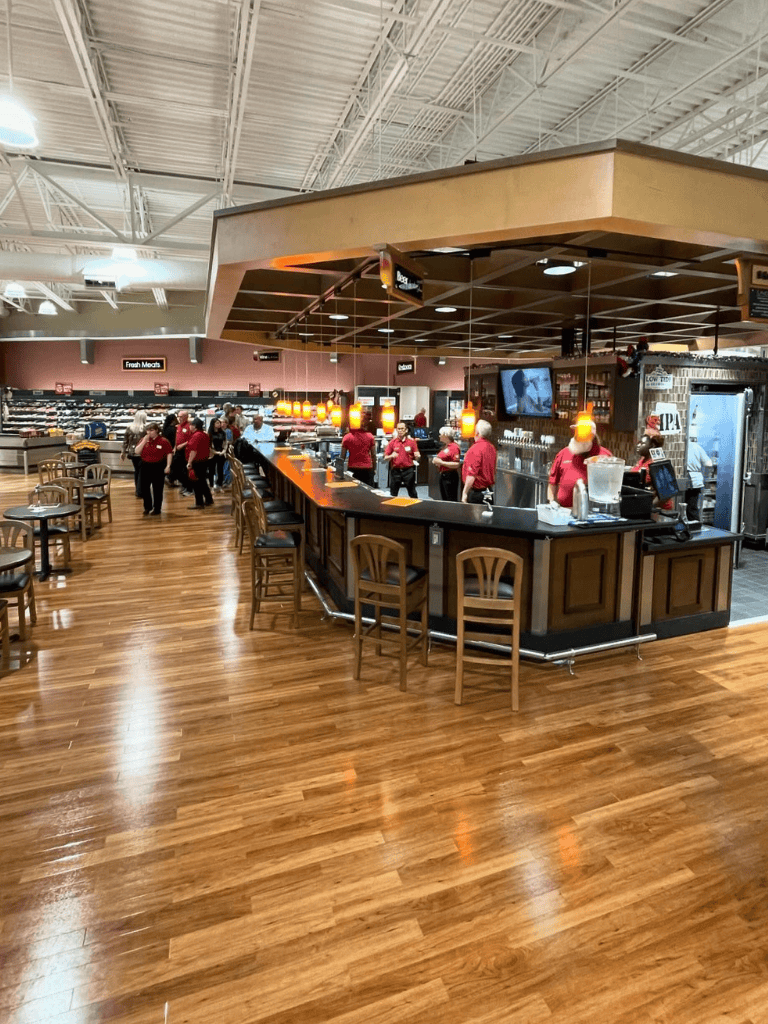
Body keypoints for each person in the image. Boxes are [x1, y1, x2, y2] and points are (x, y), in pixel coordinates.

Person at [548, 419, 612, 508]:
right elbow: (552, 483)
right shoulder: (563, 453)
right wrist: (552, 502)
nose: (577, 436)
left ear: (592, 436)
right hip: (564, 511)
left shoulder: (604, 456)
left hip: (593, 513)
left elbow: (611, 486)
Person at [135, 421, 172, 516]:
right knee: (144, 488)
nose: (149, 432)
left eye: (151, 430)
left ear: (156, 431)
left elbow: (169, 453)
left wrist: (168, 466)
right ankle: (147, 507)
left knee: (158, 488)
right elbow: (137, 451)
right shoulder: (144, 440)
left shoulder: (163, 441)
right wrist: (144, 440)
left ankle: (157, 508)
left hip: (158, 466)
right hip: (145, 466)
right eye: (147, 430)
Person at [461, 419, 497, 504]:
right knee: (488, 515)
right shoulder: (492, 448)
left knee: (474, 516)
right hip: (488, 491)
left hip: (477, 493)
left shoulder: (475, 449)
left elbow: (471, 474)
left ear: (477, 432)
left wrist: (465, 493)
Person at [384, 421, 420, 498]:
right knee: (393, 493)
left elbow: (417, 456)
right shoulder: (392, 442)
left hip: (408, 470)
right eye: (398, 429)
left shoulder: (412, 442)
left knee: (412, 492)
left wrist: (418, 456)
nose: (400, 430)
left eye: (402, 429)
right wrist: (391, 456)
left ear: (406, 430)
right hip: (396, 471)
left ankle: (416, 508)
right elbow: (385, 458)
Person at [186, 418, 214, 509]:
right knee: (202, 481)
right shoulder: (204, 434)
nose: (189, 426)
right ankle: (209, 499)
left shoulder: (196, 436)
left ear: (194, 426)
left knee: (196, 482)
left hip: (197, 462)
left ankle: (199, 503)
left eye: (191, 425)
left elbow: (193, 450)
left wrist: (189, 462)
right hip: (204, 460)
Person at [120, 410, 147, 498]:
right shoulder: (145, 429)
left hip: (132, 453)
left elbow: (125, 442)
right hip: (143, 453)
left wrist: (123, 452)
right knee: (142, 472)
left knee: (137, 471)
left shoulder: (129, 428)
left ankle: (137, 489)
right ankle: (140, 491)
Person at [685, 437, 713, 521]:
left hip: (685, 479)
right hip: (695, 480)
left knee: (683, 508)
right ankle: (694, 529)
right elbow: (709, 463)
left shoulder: (682, 446)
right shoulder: (697, 447)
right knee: (692, 508)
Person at [433, 425, 461, 501]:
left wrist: (441, 462)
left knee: (451, 499)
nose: (439, 436)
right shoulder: (445, 446)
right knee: (445, 498)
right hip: (443, 475)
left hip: (450, 476)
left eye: (441, 434)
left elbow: (456, 464)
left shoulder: (454, 447)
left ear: (446, 435)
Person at [173, 410, 195, 495]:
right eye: (178, 416)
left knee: (185, 471)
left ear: (186, 417)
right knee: (176, 469)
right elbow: (177, 438)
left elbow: (191, 439)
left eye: (181, 417)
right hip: (178, 451)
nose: (179, 418)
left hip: (186, 451)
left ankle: (189, 488)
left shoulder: (189, 426)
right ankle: (185, 485)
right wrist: (175, 447)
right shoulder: (178, 426)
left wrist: (182, 445)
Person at [207, 417, 227, 492]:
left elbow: (225, 443)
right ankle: (211, 485)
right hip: (212, 453)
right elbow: (208, 445)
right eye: (217, 423)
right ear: (213, 424)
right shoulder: (209, 433)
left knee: (220, 470)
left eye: (220, 423)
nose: (219, 424)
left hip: (221, 453)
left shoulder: (223, 433)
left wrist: (223, 451)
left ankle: (220, 485)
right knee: (211, 470)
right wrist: (215, 452)